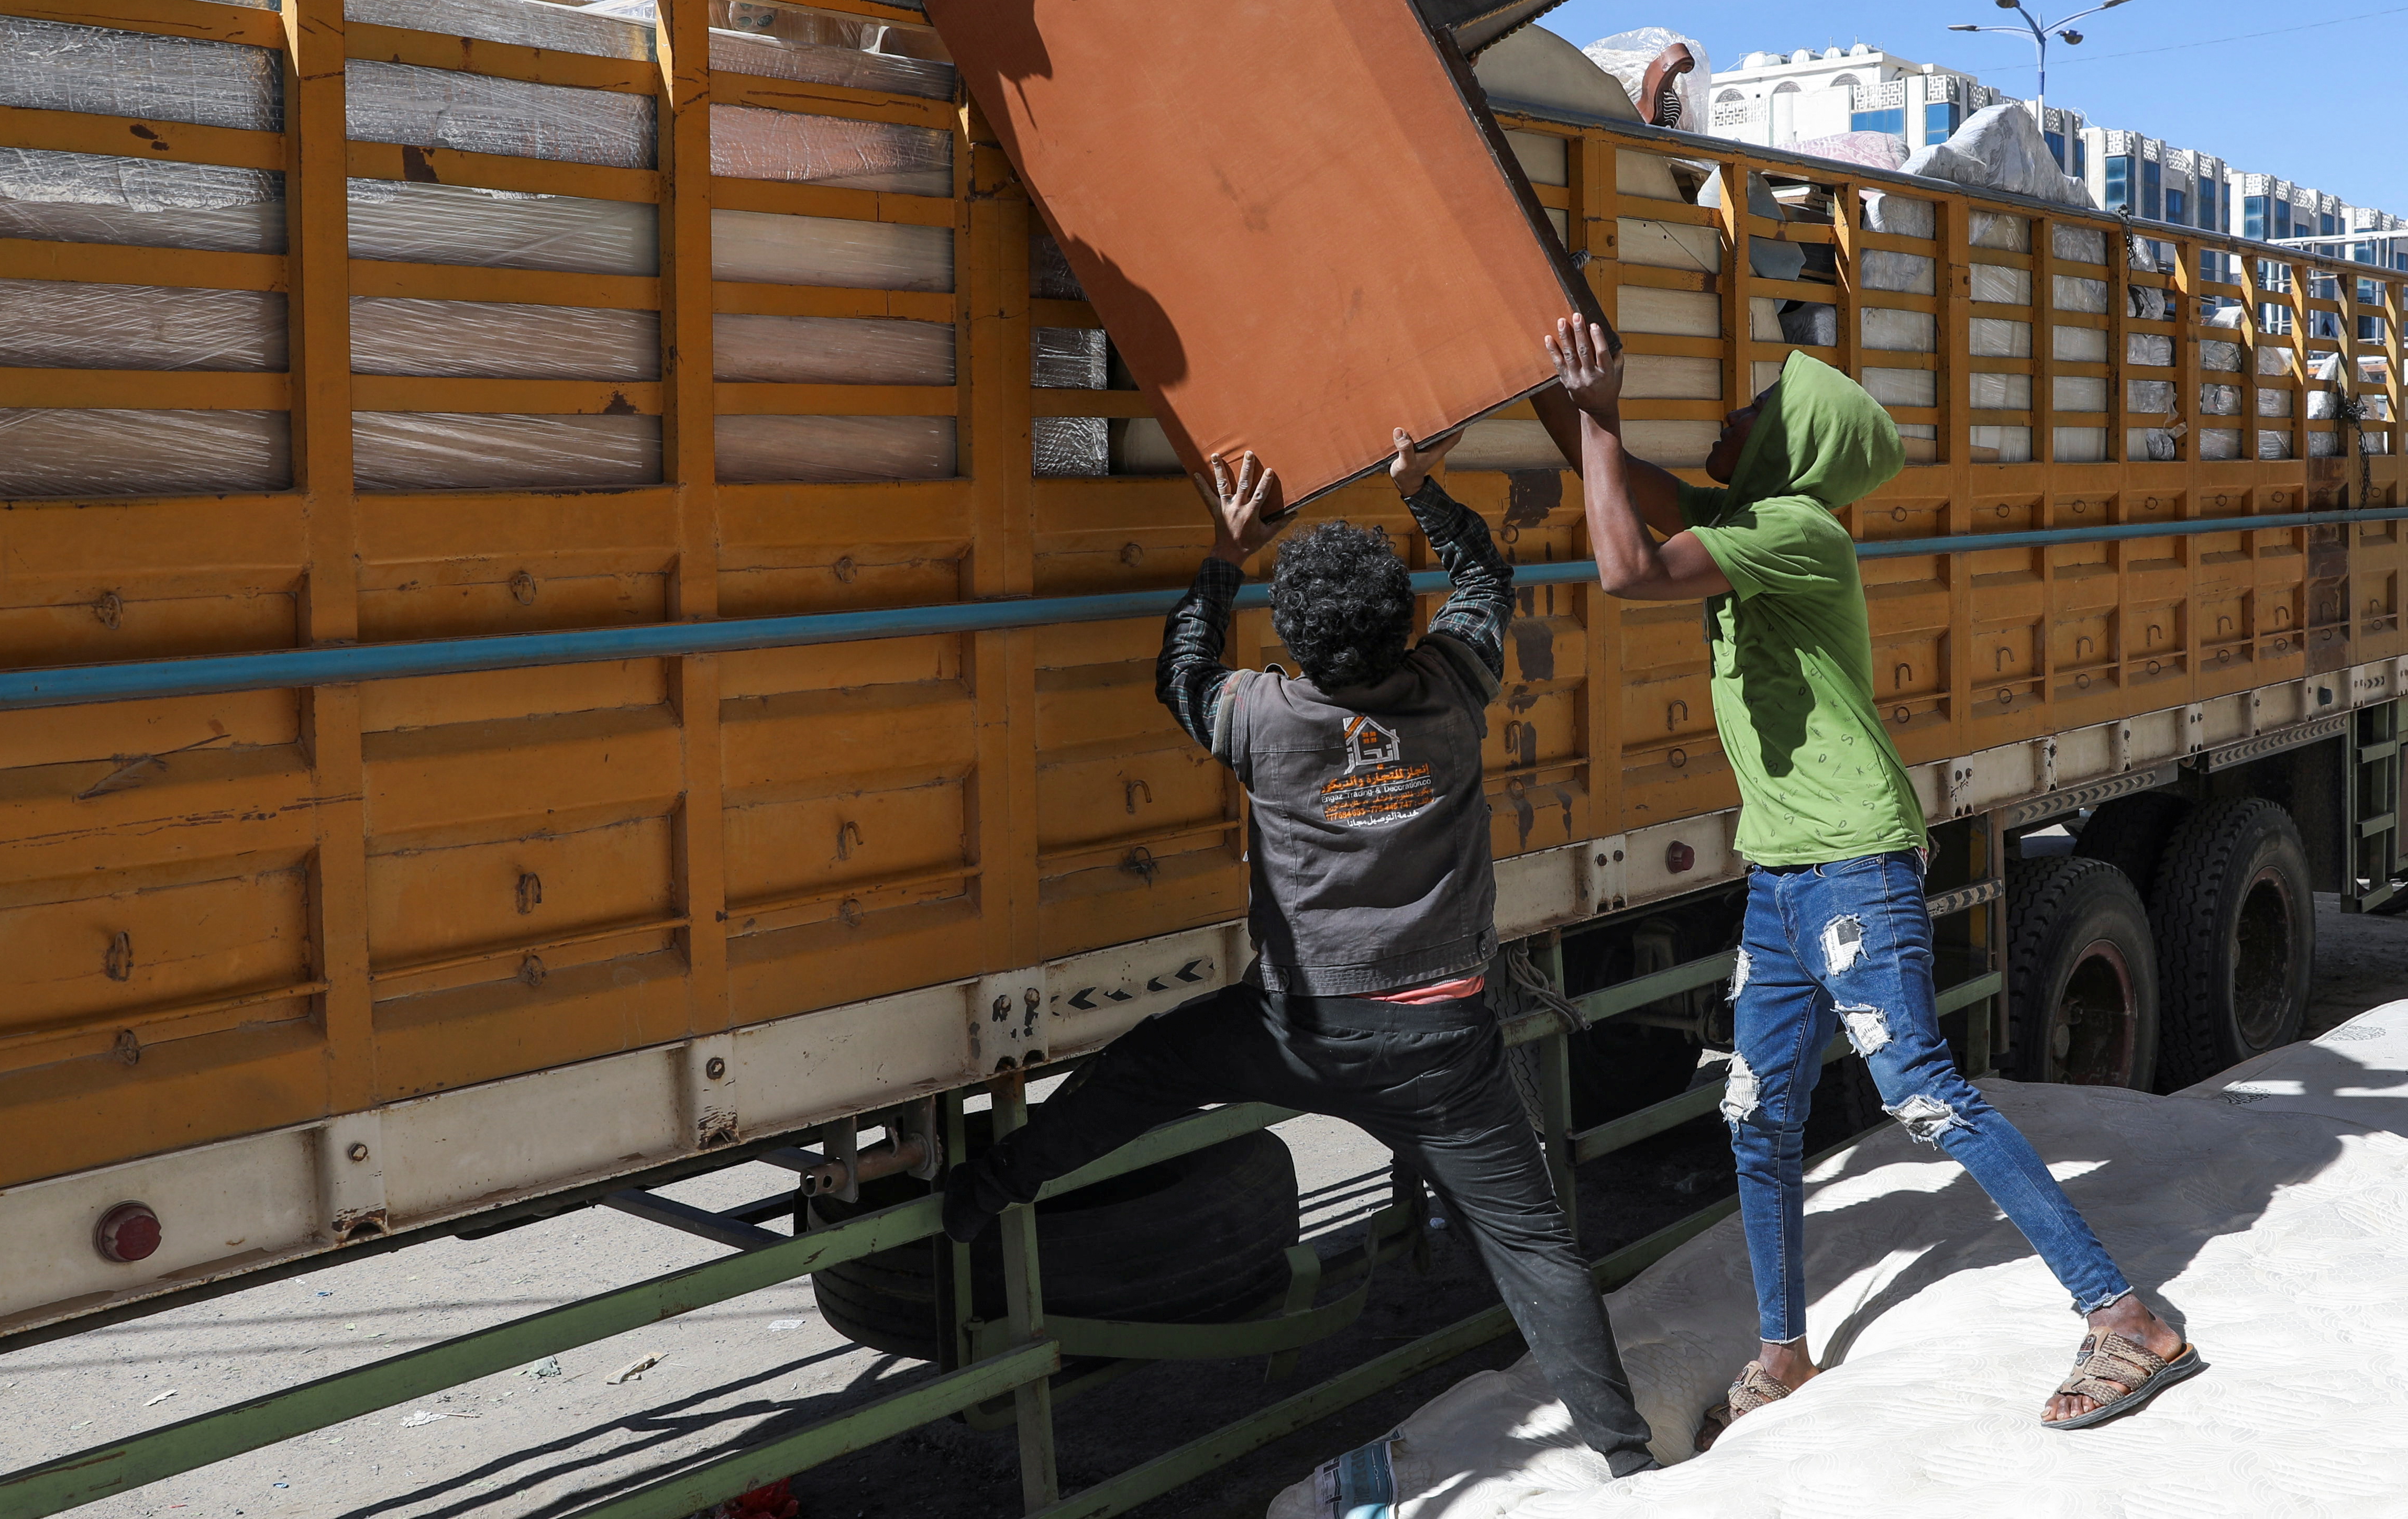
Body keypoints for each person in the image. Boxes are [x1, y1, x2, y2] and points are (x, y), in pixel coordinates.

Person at [1531, 319, 2208, 1442]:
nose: (1734, 410)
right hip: (1783, 869)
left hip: (1851, 858)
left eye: (1757, 406)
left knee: (1922, 1093)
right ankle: (1783, 1351)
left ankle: (2127, 1319)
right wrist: (1542, 378)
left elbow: (1624, 567)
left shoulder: (1791, 529)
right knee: (1756, 1112)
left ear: (1792, 448)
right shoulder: (1742, 516)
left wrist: (1598, 409)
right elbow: (1607, 464)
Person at [943, 428, 1660, 1481]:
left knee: (1144, 1071)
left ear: (1292, 635)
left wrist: (1226, 552)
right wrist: (1420, 490)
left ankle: (982, 1193)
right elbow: (1482, 578)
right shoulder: (1452, 684)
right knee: (1535, 1247)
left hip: (1296, 1030)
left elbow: (1179, 671)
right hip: (1444, 1048)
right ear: (1402, 621)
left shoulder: (1259, 716)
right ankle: (1629, 1461)